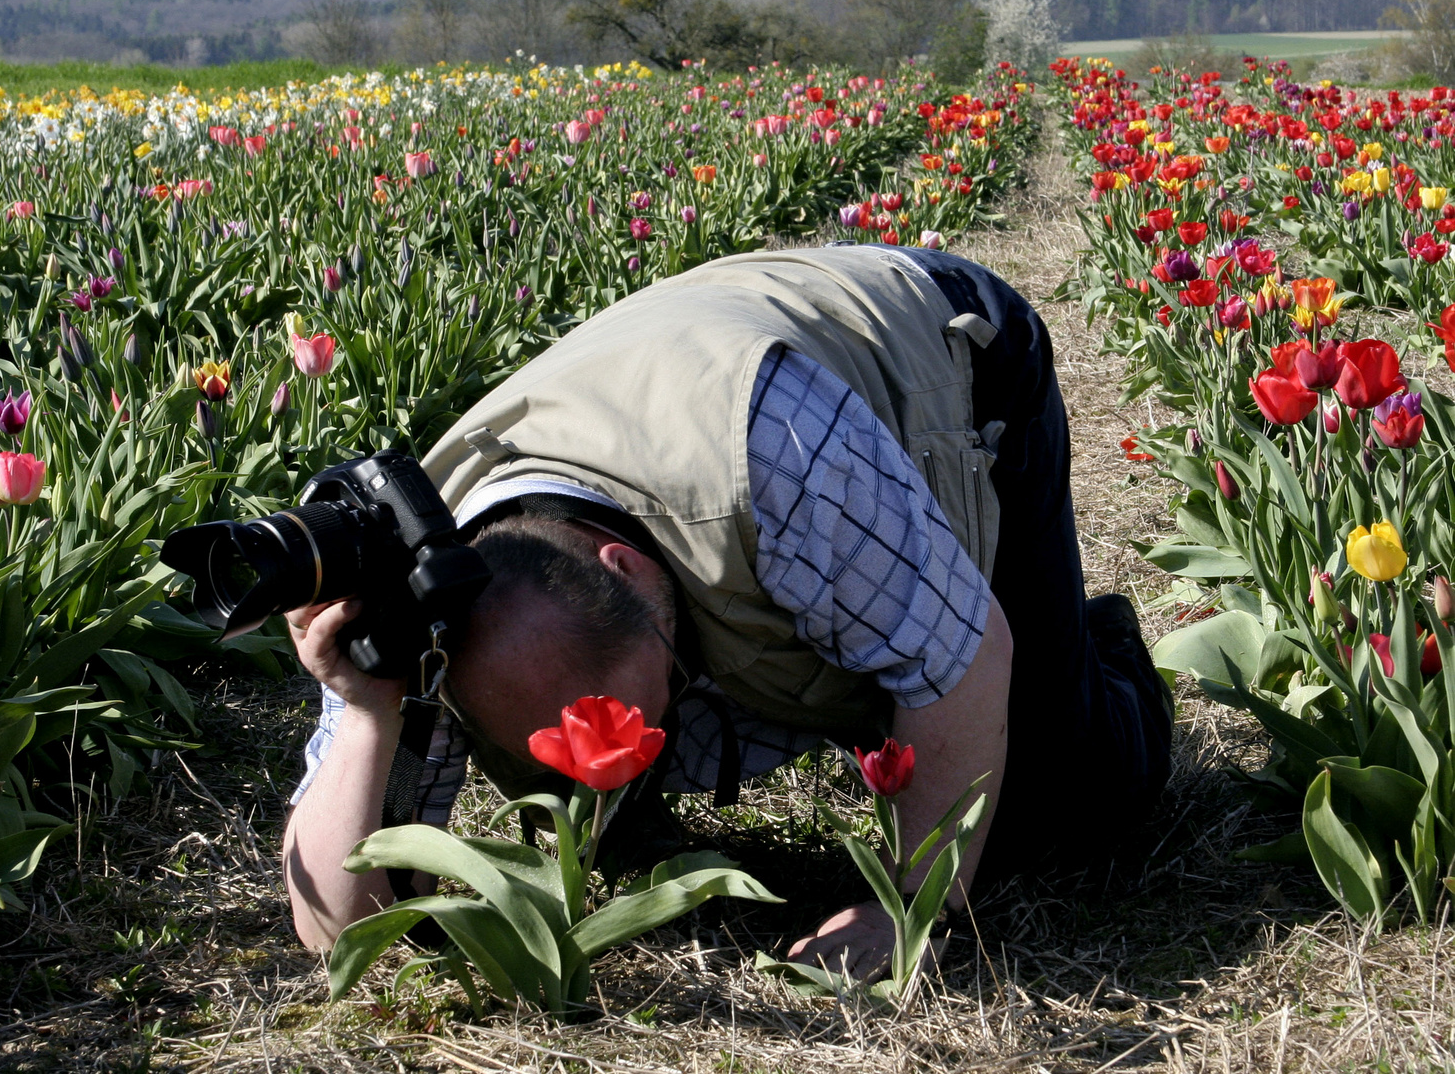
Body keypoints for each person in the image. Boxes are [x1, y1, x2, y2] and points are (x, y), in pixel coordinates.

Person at [281, 245, 1174, 976]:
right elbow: (336, 932)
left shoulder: (777, 459)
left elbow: (965, 657)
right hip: (695, 361)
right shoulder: (421, 581)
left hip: (938, 350)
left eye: (637, 711)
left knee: (1054, 806)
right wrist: (367, 711)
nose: (607, 764)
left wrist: (907, 910)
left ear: (627, 570)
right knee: (613, 815)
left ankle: (1097, 650)